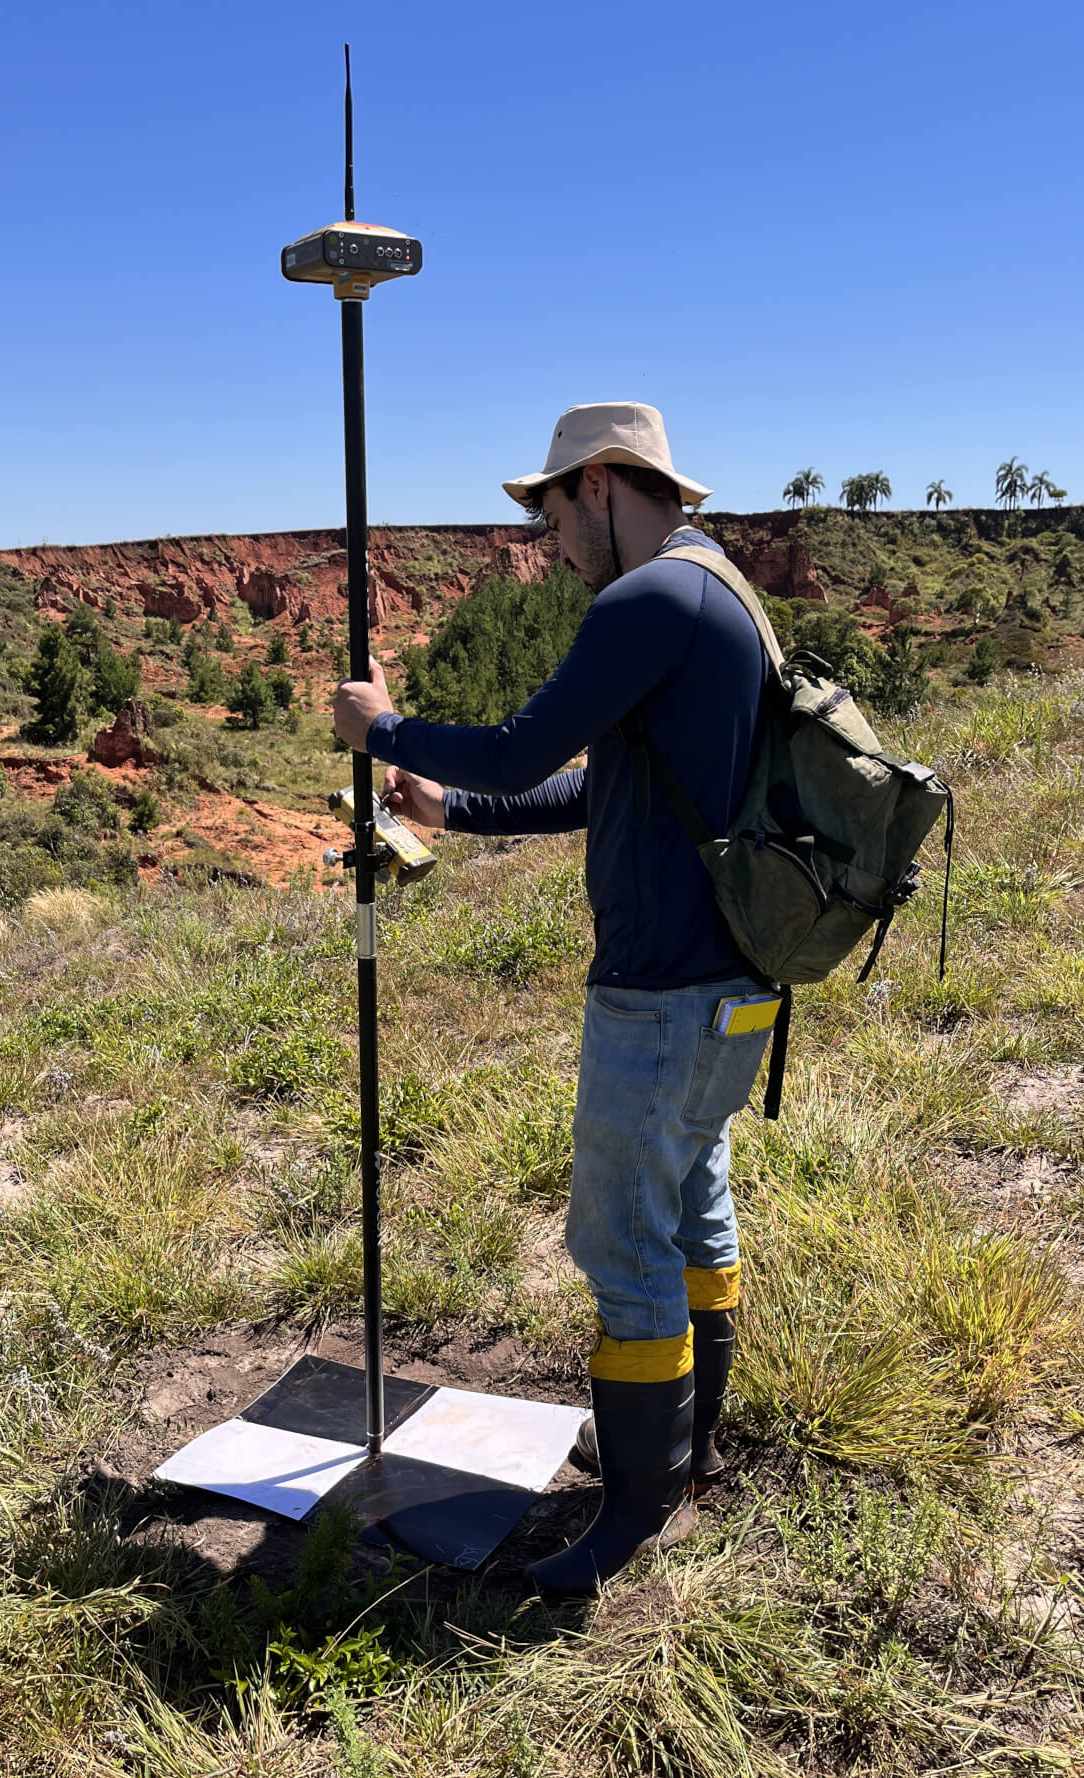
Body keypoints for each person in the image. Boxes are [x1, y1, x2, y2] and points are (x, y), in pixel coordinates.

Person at [332, 402, 778, 1594]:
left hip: (657, 992)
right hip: (734, 985)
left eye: (550, 510)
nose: (547, 539)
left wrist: (385, 731)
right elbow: (607, 789)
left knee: (622, 1239)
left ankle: (622, 1530)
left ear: (602, 484)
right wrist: (449, 806)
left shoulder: (646, 602)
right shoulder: (722, 590)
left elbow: (527, 744)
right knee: (693, 1209)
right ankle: (679, 1464)